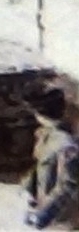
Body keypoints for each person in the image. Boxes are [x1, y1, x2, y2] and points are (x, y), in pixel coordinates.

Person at [26, 87, 79, 229]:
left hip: (63, 218)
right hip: (46, 205)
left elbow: (68, 185)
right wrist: (30, 191)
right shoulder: (45, 134)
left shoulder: (67, 145)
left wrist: (44, 214)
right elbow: (39, 166)